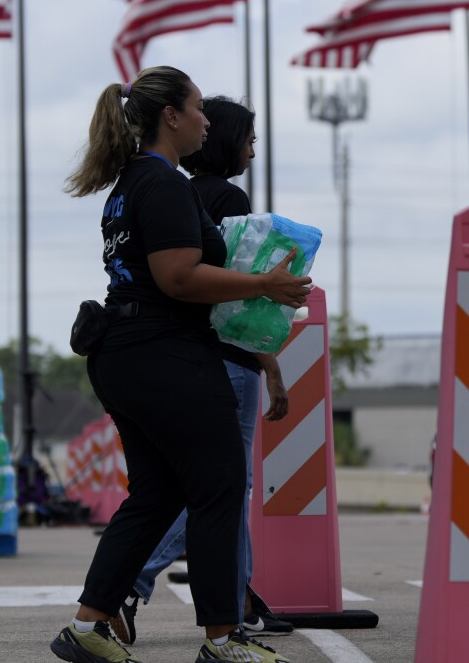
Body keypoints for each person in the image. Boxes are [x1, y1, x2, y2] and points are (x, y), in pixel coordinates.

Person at [53, 67, 307, 663]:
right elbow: (177, 278)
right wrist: (264, 284)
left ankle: (89, 626)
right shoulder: (163, 185)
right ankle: (224, 640)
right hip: (164, 354)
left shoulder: (131, 183)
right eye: (199, 108)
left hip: (128, 354)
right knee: (219, 485)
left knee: (157, 494)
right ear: (171, 115)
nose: (207, 121)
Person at [109, 96, 295, 645]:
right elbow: (232, 293)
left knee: (209, 486)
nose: (253, 151)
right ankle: (132, 582)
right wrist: (271, 364)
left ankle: (238, 600)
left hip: (173, 352)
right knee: (222, 487)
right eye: (250, 140)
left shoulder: (176, 191)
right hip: (227, 358)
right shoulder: (227, 198)